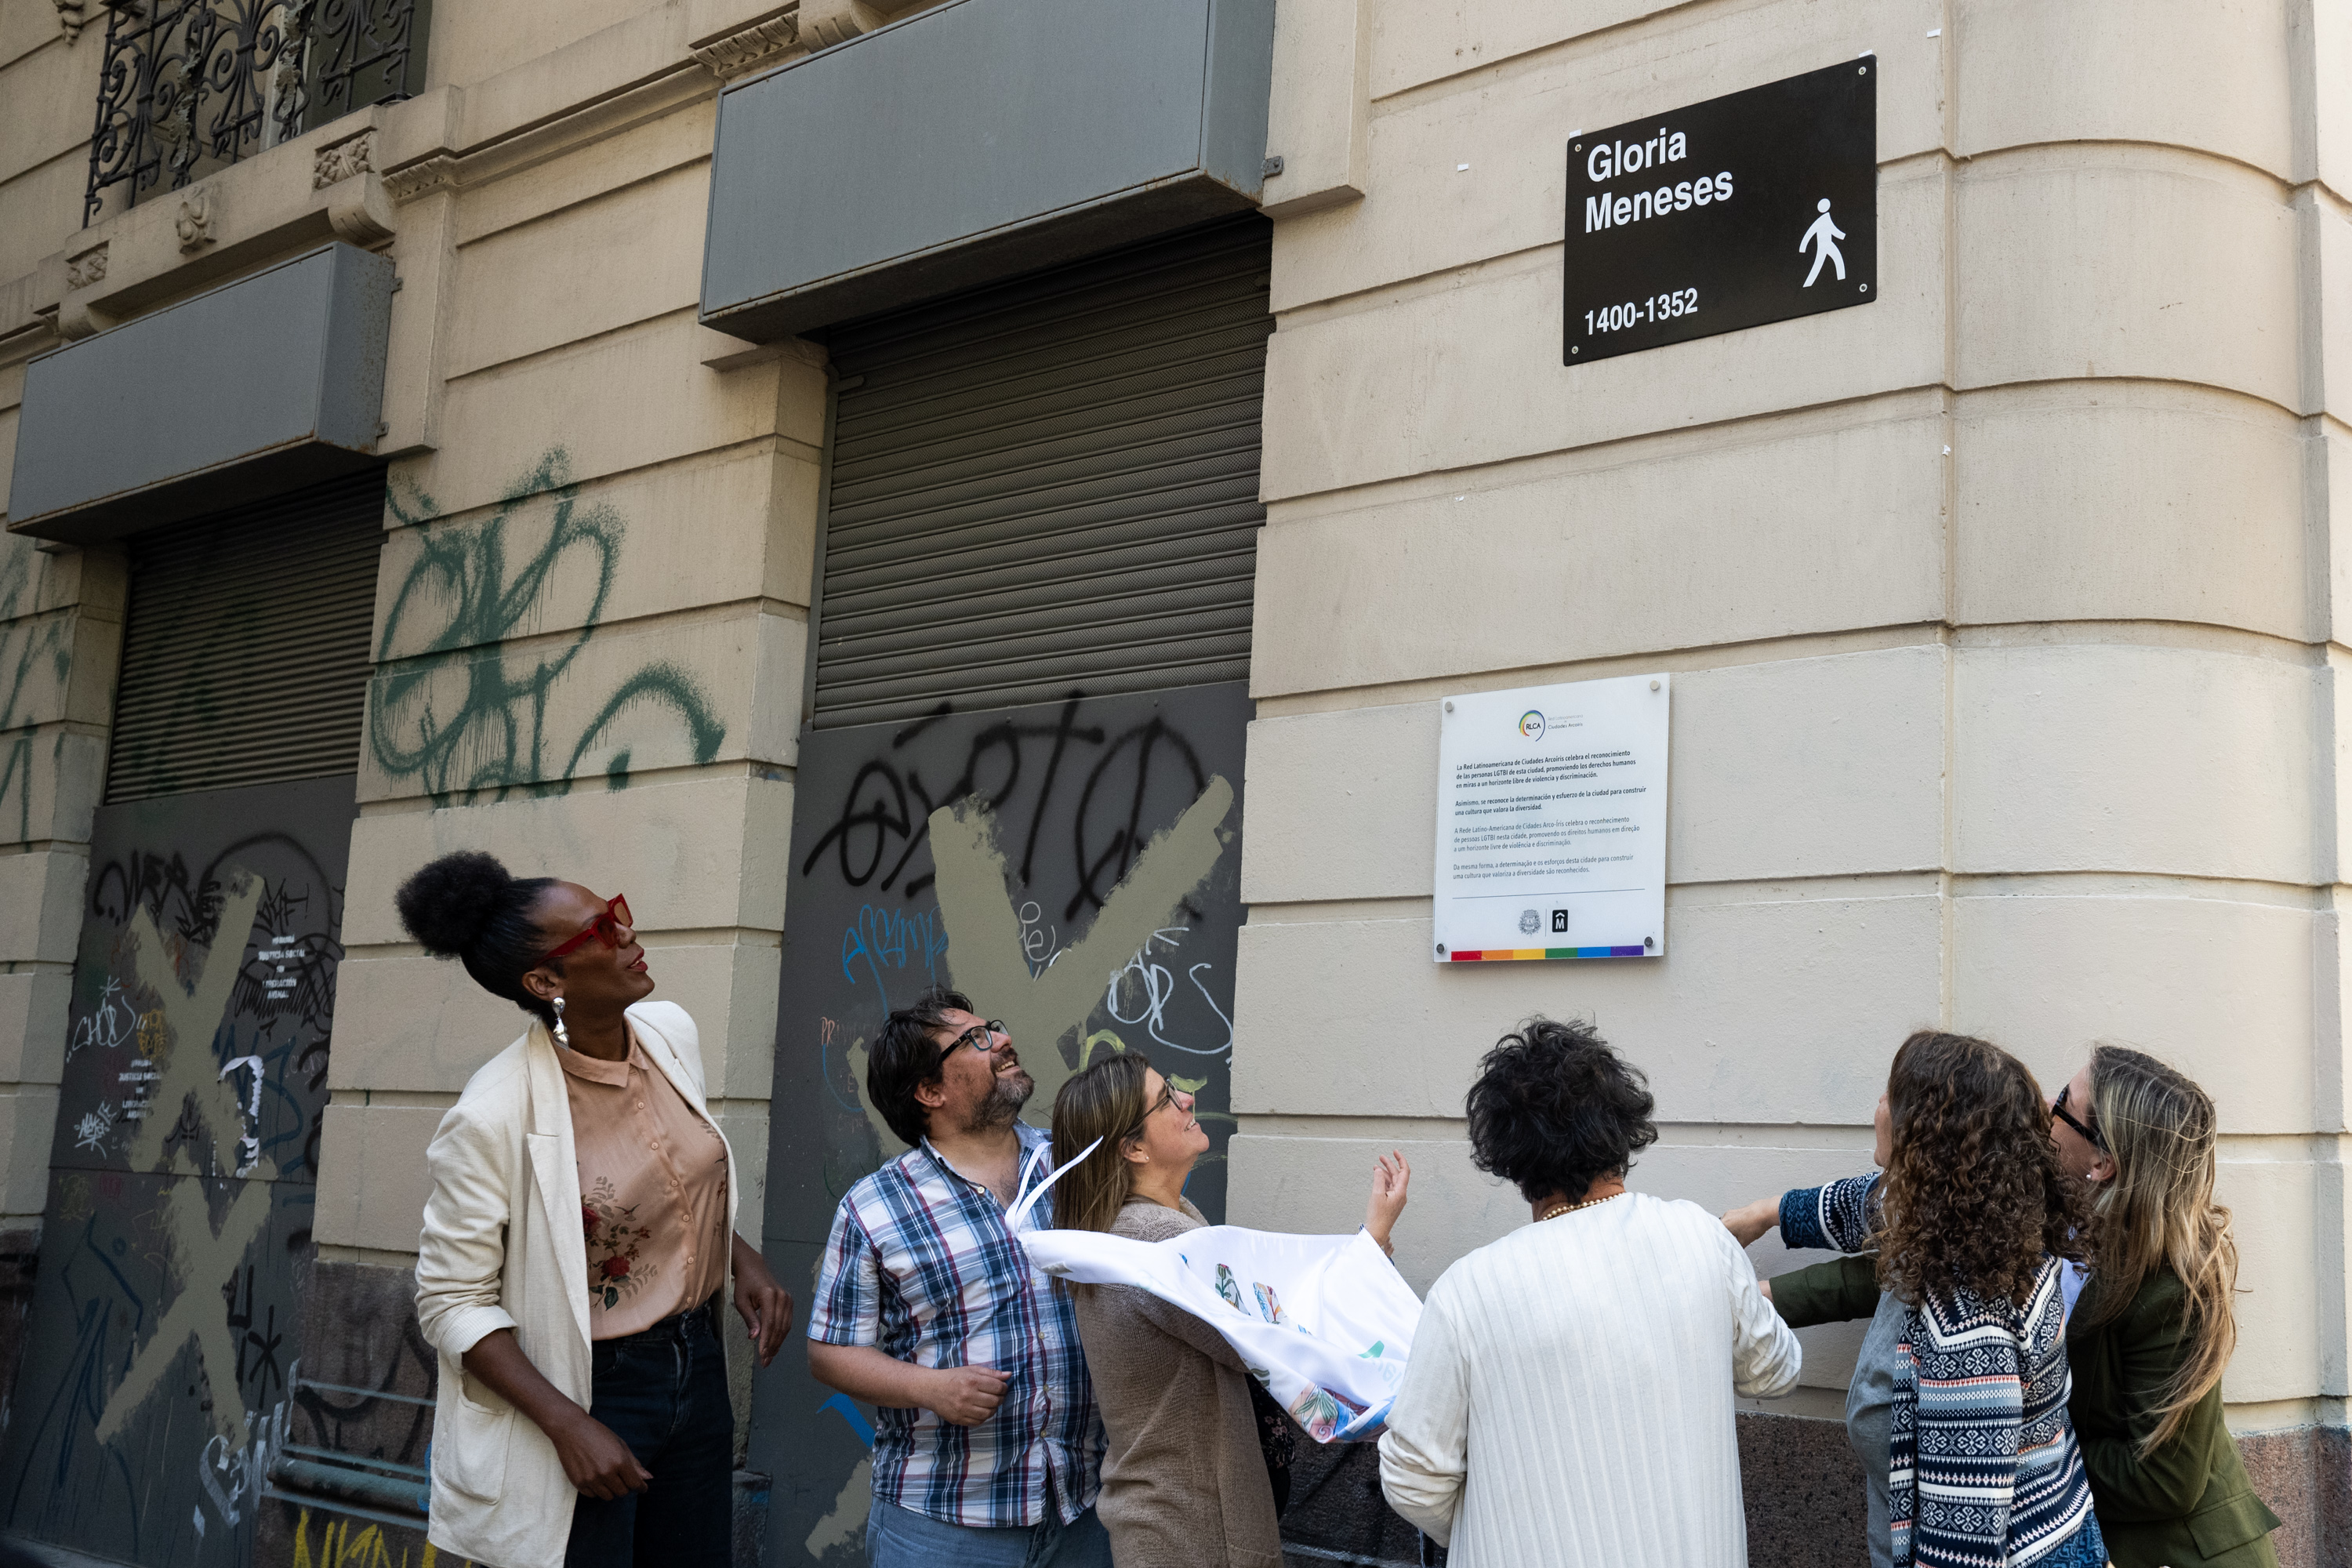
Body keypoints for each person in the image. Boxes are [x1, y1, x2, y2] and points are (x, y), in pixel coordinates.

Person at [405, 851, 795, 1568]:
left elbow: (673, 1177)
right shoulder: (493, 1113)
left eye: (616, 911)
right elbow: (449, 1301)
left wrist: (742, 1259)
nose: (627, 932)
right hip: (586, 1384)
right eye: (599, 930)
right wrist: (566, 1423)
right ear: (546, 981)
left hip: (697, 1365)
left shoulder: (670, 1033)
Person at [1377, 1018, 1799, 1567]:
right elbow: (1775, 1371)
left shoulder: (1467, 1292)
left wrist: (1501, 1521)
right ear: (1621, 1128)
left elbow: (1413, 1480)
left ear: (1510, 1157)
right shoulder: (1703, 1239)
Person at [1730, 1031, 2107, 1568]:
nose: (1880, 1106)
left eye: (1892, 1094)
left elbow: (1964, 1549)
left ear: (1925, 1141)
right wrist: (1761, 1216)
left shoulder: (1973, 1328)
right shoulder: (1979, 1218)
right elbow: (1869, 1203)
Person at [1049, 1051, 1410, 1568]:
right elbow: (1274, 1336)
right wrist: (1373, 1237)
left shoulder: (1163, 1223)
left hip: (1176, 1520)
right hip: (1192, 1534)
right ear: (1133, 1148)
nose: (1187, 1098)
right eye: (1166, 1100)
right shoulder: (1156, 1242)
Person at [805, 987, 1109, 1567]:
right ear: (929, 1091)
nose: (1002, 1039)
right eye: (974, 1040)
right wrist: (933, 1389)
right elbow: (830, 1354)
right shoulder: (876, 1207)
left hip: (1083, 1510)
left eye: (990, 1026)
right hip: (944, 1524)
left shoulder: (1074, 1167)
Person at [2050, 1045, 2280, 1566]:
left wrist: (2027, 1447)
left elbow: (2163, 1478)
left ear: (2103, 1163)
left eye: (2064, 1101)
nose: (2046, 1106)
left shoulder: (2172, 1290)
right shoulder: (2066, 1220)